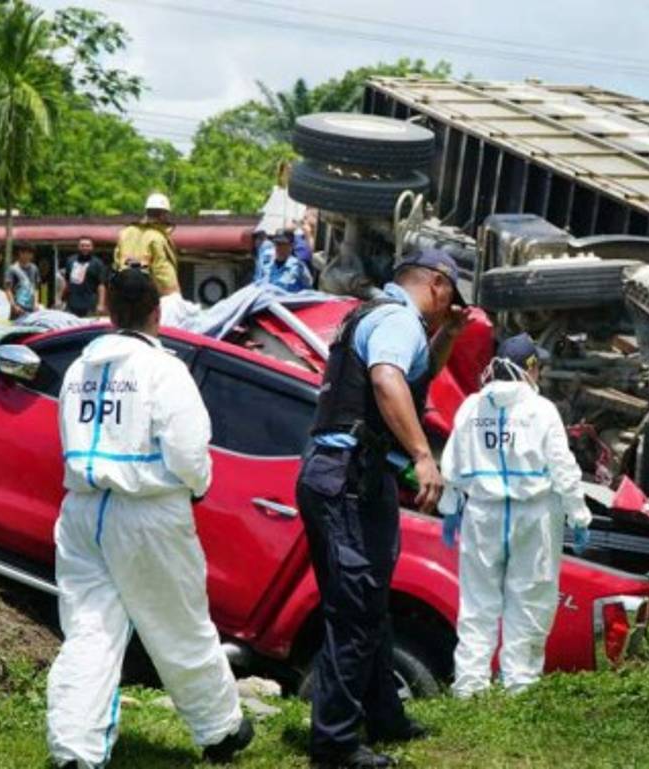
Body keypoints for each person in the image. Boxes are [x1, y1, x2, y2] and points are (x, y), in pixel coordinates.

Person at [46, 267, 253, 767]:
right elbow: (187, 449)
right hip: (147, 512)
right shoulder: (164, 370)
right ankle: (220, 729)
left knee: (89, 631)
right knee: (180, 626)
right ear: (157, 311)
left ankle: (75, 748)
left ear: (107, 309)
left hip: (81, 510)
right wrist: (198, 487)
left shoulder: (79, 369)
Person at [297, 248, 468, 769]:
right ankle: (335, 743)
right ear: (438, 285)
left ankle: (384, 715)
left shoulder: (377, 314)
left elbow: (414, 373)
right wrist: (423, 455)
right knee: (353, 612)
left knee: (369, 605)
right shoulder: (398, 320)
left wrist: (451, 335)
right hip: (347, 479)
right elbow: (389, 380)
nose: (448, 309)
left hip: (346, 478)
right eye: (450, 300)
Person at [439, 333, 592, 697]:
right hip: (533, 516)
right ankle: (519, 687)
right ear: (530, 368)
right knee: (530, 600)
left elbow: (453, 462)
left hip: (482, 514)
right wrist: (579, 514)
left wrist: (449, 507)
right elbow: (562, 467)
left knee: (477, 603)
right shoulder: (541, 410)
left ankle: (470, 687)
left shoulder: (472, 407)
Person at [114, 192, 192, 325]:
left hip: (125, 294)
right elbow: (161, 270)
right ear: (163, 214)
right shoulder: (157, 237)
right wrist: (174, 296)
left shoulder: (125, 233)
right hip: (151, 300)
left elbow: (117, 263)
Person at [63, 236, 107, 317]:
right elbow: (67, 282)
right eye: (82, 245)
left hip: (90, 305)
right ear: (78, 247)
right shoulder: (70, 260)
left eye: (87, 246)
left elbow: (101, 285)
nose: (85, 248)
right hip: (72, 304)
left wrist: (101, 304)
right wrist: (61, 299)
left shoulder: (98, 263)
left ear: (92, 247)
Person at [5, 245, 41, 318]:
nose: (27, 256)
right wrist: (13, 305)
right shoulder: (12, 269)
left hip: (31, 308)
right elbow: (8, 289)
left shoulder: (34, 269)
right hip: (18, 308)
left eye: (30, 254)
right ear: (20, 253)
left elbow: (36, 288)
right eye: (25, 253)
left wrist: (36, 303)